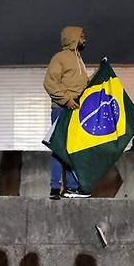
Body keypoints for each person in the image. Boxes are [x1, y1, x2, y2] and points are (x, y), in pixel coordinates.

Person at [43, 26, 91, 199]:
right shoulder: (60, 58)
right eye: (82, 36)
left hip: (74, 110)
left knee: (72, 149)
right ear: (73, 38)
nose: (85, 39)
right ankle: (55, 188)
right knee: (58, 148)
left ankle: (71, 187)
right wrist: (66, 100)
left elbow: (83, 84)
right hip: (62, 109)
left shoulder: (79, 60)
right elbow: (50, 83)